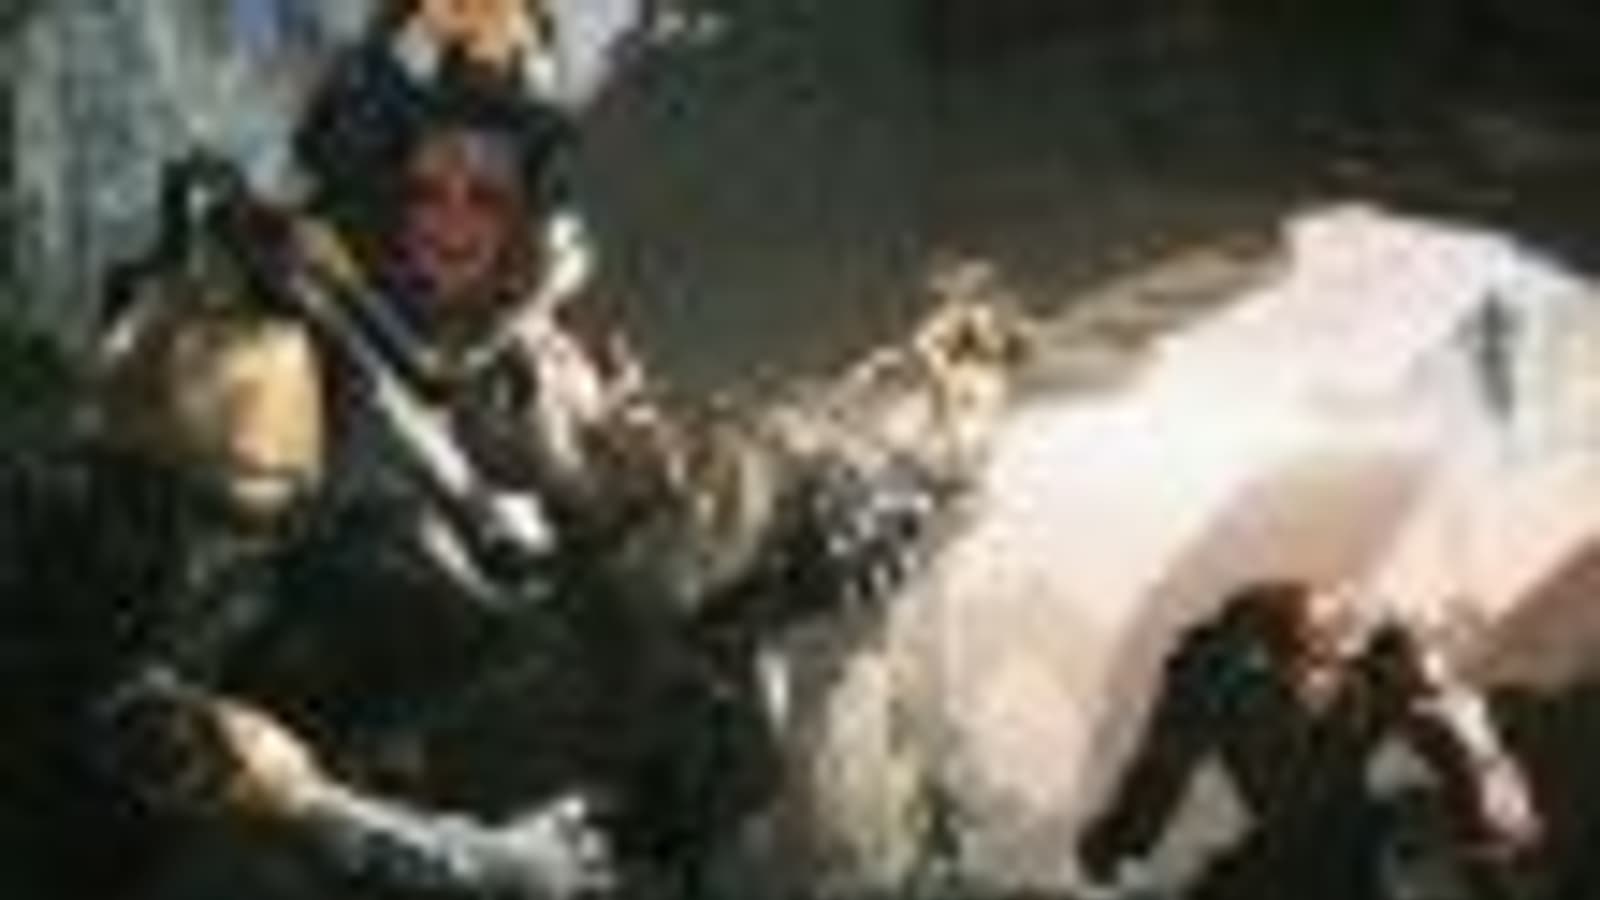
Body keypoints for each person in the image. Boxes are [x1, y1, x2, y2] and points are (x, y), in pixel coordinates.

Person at [1077, 580, 1541, 900]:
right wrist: (1120, 846)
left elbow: (1479, 770)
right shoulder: (1222, 664)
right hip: (1295, 849)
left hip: (1342, 845)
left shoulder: (1392, 662)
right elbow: (1162, 769)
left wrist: (1490, 836)